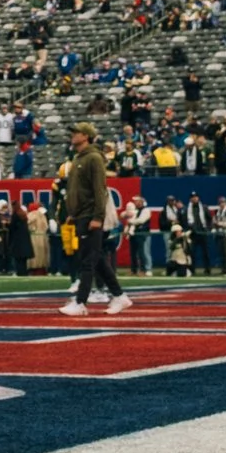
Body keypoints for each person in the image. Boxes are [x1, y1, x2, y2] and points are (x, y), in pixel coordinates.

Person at [58, 122, 130, 315]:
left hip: (90, 215)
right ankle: (119, 296)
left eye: (77, 133)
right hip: (82, 214)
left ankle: (81, 302)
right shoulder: (78, 158)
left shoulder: (93, 158)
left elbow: (99, 190)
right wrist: (73, 213)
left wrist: (98, 216)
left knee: (88, 260)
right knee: (95, 258)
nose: (73, 135)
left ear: (86, 136)